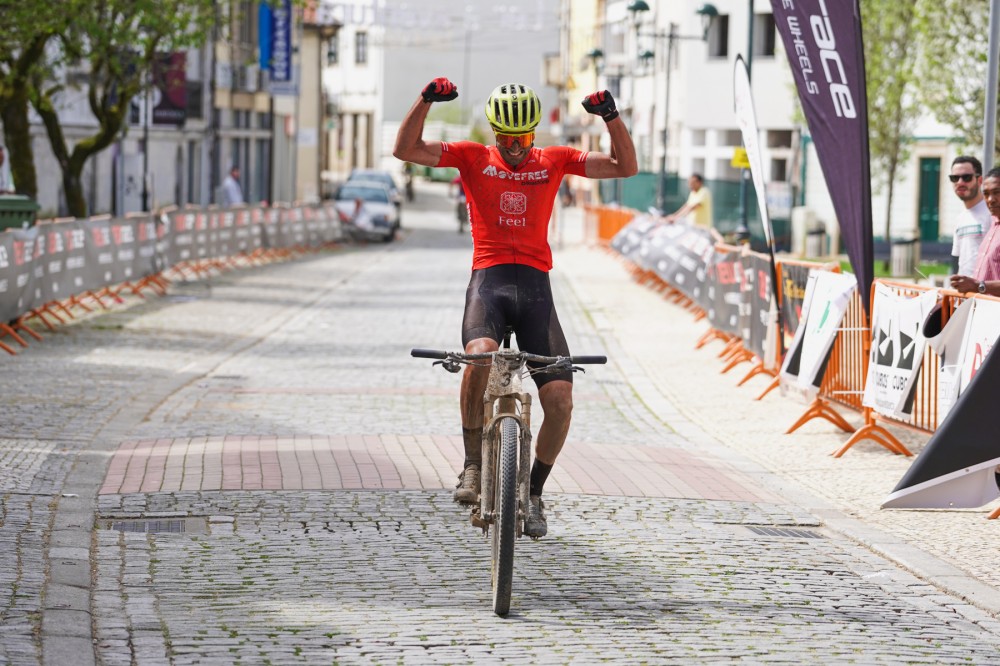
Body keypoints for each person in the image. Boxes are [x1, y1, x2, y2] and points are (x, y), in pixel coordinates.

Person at [394, 77, 637, 537]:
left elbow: (625, 167)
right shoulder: (472, 156)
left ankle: (535, 493)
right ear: (493, 132)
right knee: (479, 354)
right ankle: (471, 466)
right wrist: (424, 99)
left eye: (523, 138)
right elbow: (406, 150)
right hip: (489, 283)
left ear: (534, 132)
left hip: (535, 291)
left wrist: (610, 116)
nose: (514, 148)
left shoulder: (554, 160)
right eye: (506, 138)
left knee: (561, 400)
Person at [949, 166, 1000, 296]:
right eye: (986, 194)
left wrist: (978, 286)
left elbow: (978, 285)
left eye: (997, 192)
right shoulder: (994, 224)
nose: (990, 200)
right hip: (983, 310)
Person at [948, 156, 990, 276]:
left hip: (986, 293)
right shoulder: (960, 218)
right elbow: (957, 257)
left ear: (979, 180)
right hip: (965, 293)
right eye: (955, 178)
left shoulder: (992, 213)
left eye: (966, 177)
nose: (960, 182)